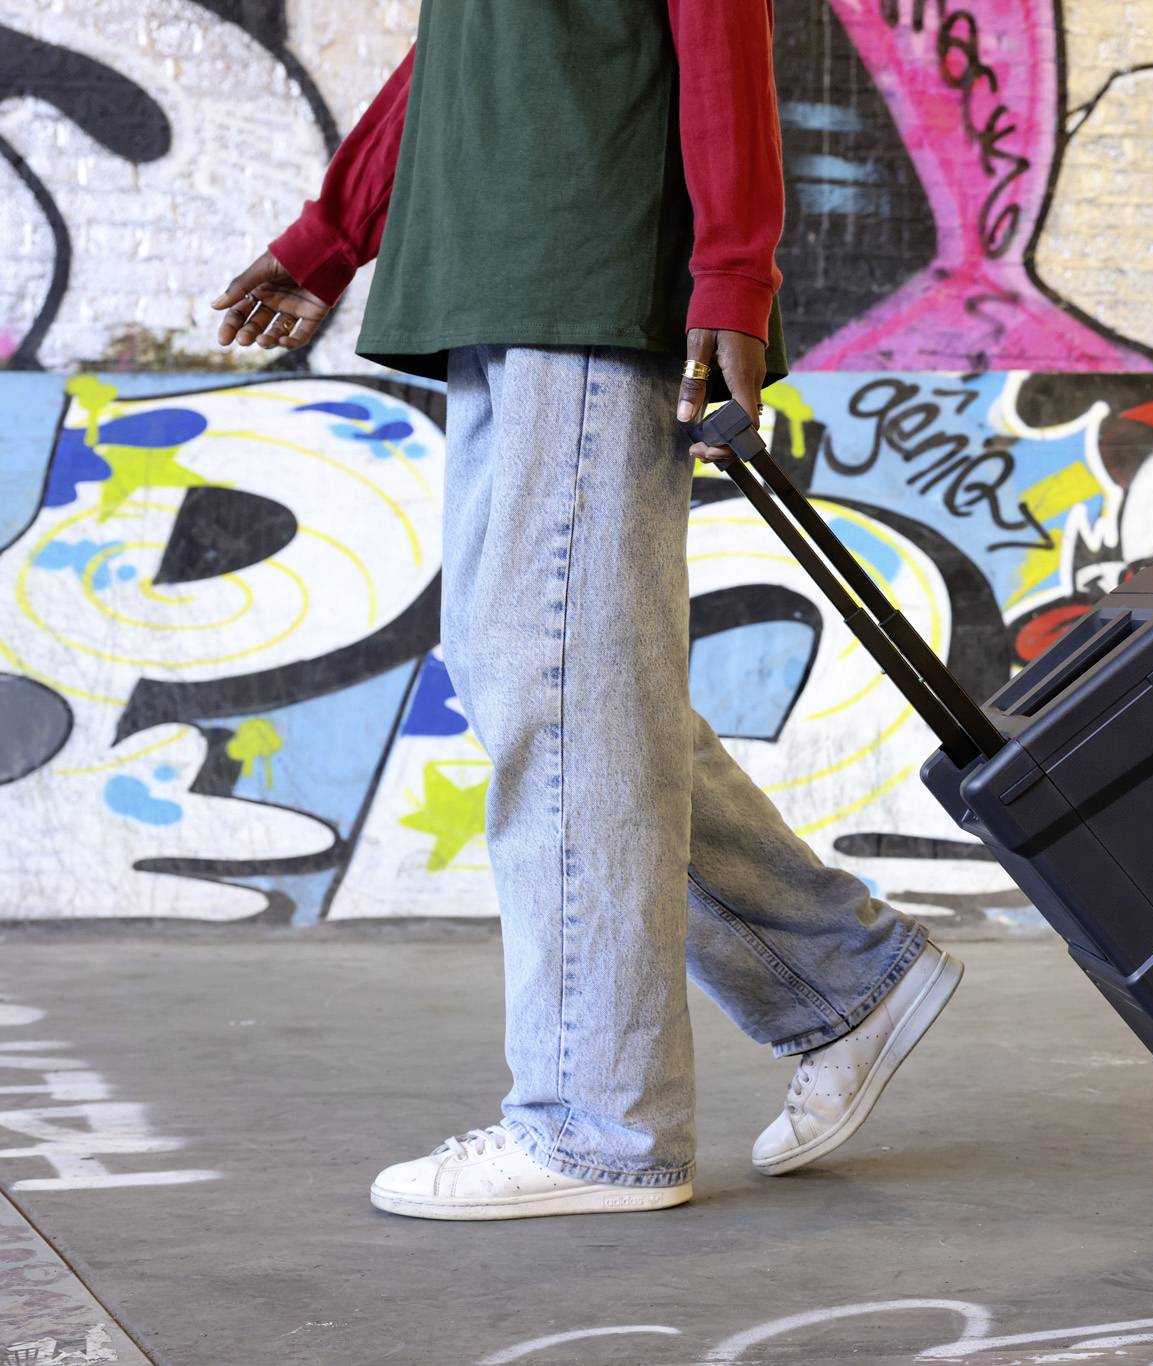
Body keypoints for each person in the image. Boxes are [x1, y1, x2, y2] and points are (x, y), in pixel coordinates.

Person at [211, 0, 962, 1221]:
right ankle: (837, 976)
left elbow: (718, 27)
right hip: (500, 269)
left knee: (560, 683)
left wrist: (734, 274)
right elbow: (478, 40)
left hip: (584, 266)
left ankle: (596, 1122)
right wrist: (331, 233)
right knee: (557, 677)